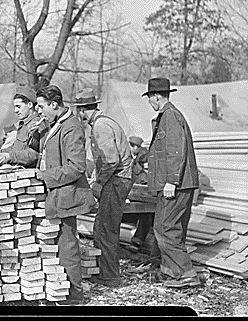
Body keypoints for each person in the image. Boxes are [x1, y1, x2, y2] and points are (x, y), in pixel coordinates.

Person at [34, 85, 97, 305]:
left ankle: (73, 297)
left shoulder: (71, 127)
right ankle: (62, 292)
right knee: (62, 244)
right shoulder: (56, 124)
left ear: (54, 104)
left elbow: (77, 166)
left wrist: (46, 175)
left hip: (67, 194)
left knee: (68, 247)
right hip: (58, 192)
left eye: (42, 106)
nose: (39, 110)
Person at [73, 88, 133, 289]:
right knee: (105, 226)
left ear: (82, 110)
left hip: (116, 180)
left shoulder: (100, 126)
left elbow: (111, 160)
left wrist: (98, 183)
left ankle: (110, 276)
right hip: (117, 179)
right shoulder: (103, 122)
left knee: (105, 228)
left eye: (79, 110)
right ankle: (108, 273)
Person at [143, 77, 200, 288]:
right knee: (166, 227)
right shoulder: (168, 116)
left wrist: (171, 181)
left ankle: (185, 274)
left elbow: (176, 151)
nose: (149, 103)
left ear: (156, 97)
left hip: (177, 184)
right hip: (178, 184)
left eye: (150, 98)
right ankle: (170, 272)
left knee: (166, 229)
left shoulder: (170, 116)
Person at [0, 86, 46, 167]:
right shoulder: (24, 124)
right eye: (14, 107)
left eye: (18, 106)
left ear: (29, 105)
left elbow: (35, 154)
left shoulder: (37, 124)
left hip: (30, 173)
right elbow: (16, 148)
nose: (15, 111)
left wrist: (10, 157)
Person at [127, 135, 155, 252]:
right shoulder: (130, 159)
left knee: (147, 212)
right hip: (130, 197)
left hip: (143, 198)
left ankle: (137, 241)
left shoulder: (143, 159)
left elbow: (144, 180)